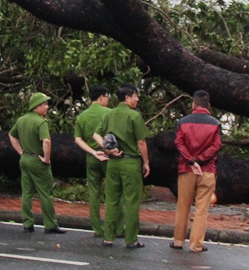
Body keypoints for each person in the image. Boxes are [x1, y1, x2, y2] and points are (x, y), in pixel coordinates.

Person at [93, 83, 150, 249]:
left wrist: (108, 149)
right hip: (130, 162)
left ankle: (108, 237)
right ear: (127, 97)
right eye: (135, 96)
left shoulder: (110, 115)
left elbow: (96, 134)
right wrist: (146, 162)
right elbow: (141, 141)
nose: (137, 99)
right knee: (131, 200)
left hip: (113, 163)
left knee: (111, 199)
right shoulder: (134, 116)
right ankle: (131, 239)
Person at [171, 90, 222, 253]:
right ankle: (196, 245)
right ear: (209, 106)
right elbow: (216, 146)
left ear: (193, 104)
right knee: (201, 209)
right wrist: (200, 160)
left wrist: (191, 161)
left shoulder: (182, 122)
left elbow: (179, 143)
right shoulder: (216, 124)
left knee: (183, 206)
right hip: (207, 170)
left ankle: (178, 241)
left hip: (186, 169)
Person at [9, 92, 66, 234]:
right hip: (37, 160)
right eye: (45, 104)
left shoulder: (21, 120)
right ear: (37, 106)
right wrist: (46, 159)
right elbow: (46, 141)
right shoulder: (41, 122)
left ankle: (27, 223)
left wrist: (21, 152)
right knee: (45, 193)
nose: (47, 107)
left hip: (25, 159)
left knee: (27, 192)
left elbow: (11, 135)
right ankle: (50, 224)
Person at [73, 85, 111, 238]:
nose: (108, 100)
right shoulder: (110, 114)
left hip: (92, 157)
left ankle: (97, 228)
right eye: (107, 97)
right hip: (109, 157)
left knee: (94, 192)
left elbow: (77, 139)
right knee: (113, 192)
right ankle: (115, 226)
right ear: (101, 97)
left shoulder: (82, 116)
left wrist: (93, 151)